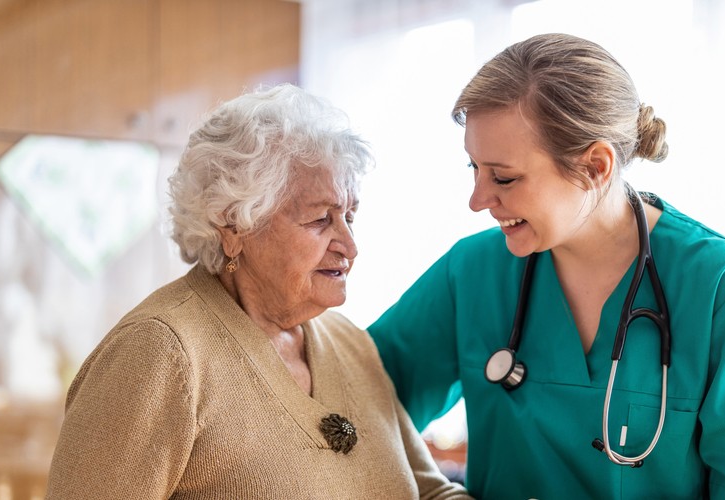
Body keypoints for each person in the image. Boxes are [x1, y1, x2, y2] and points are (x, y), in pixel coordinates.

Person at [369, 33, 725, 499]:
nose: (477, 200)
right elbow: (351, 393)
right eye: (474, 169)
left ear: (596, 166)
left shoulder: (720, 288)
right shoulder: (471, 274)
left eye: (504, 177)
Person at [45, 84, 471, 499]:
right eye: (320, 220)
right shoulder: (160, 353)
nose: (349, 245)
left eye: (350, 216)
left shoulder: (350, 343)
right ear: (233, 226)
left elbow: (428, 492)